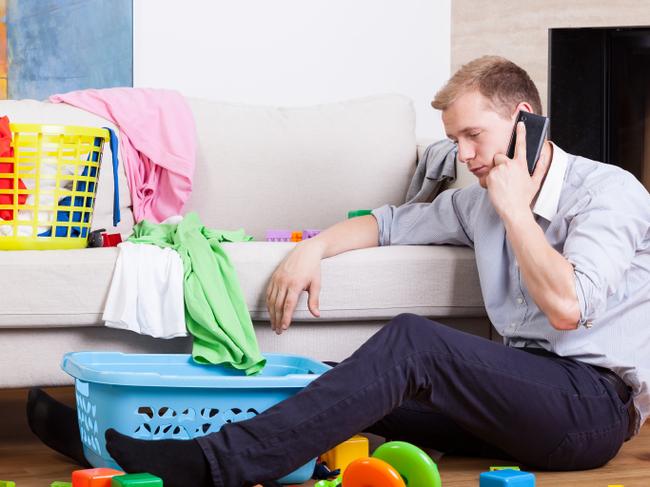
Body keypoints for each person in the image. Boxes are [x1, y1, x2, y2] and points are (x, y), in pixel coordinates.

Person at [29, 56, 650, 487]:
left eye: (473, 136)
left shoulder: (607, 194)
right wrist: (313, 249)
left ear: (523, 122)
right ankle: (108, 441)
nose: (462, 156)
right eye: (453, 140)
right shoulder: (474, 202)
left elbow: (569, 307)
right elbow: (384, 224)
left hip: (588, 409)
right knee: (328, 378)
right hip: (520, 403)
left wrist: (515, 211)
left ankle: (213, 467)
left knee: (414, 343)